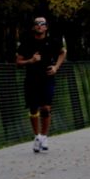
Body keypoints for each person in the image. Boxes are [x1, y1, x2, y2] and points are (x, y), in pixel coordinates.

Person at [16, 16, 66, 153]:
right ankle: (37, 136)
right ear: (33, 27)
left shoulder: (52, 41)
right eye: (37, 23)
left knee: (45, 107)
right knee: (33, 109)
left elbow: (63, 52)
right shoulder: (26, 43)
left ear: (46, 27)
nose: (39, 26)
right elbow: (18, 63)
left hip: (47, 78)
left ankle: (44, 136)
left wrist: (56, 67)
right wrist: (30, 61)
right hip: (31, 79)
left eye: (42, 23)